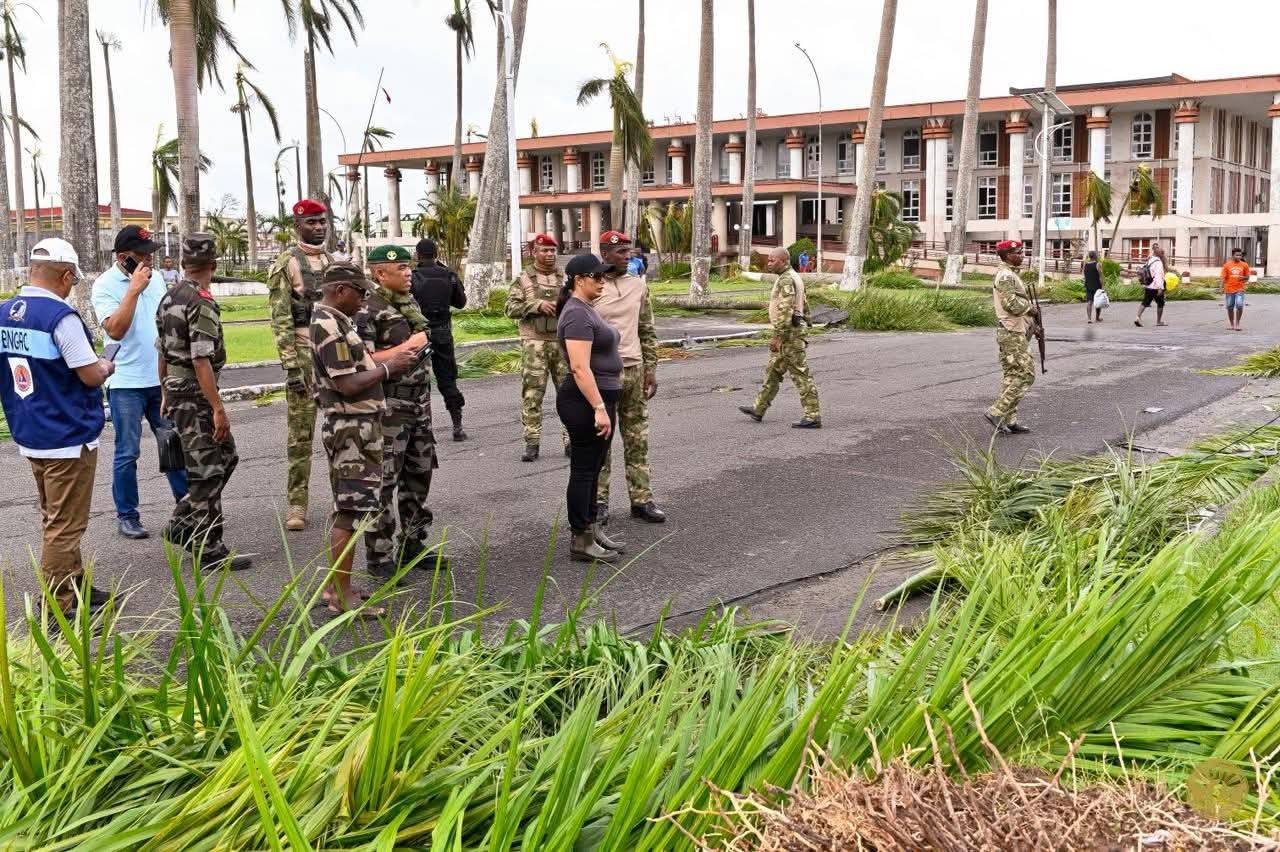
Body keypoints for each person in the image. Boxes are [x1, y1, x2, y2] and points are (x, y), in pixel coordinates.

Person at [0, 239, 115, 615]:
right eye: (72, 280)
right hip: (67, 434)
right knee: (64, 527)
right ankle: (59, 607)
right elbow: (88, 375)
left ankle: (74, 582)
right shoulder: (60, 317)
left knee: (55, 517)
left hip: (31, 430)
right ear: (66, 275)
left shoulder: (6, 312)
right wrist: (105, 367)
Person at [310, 262, 418, 614]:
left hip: (360, 425)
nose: (363, 301)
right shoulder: (327, 324)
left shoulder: (339, 321)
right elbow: (346, 383)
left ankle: (337, 586)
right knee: (351, 511)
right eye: (359, 293)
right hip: (351, 429)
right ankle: (340, 598)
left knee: (352, 507)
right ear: (341, 290)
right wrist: (390, 368)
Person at [157, 234, 251, 571]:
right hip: (195, 394)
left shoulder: (168, 298)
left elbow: (162, 350)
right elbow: (200, 360)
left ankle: (184, 521)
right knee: (208, 469)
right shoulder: (201, 301)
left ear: (183, 264)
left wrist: (165, 390)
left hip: (178, 389)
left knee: (225, 456)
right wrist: (217, 408)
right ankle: (209, 547)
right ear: (213, 265)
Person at [91, 225, 189, 540]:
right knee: (127, 451)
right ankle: (127, 516)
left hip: (160, 378)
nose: (149, 260)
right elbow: (115, 330)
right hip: (126, 383)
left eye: (151, 254)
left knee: (172, 444)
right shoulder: (105, 285)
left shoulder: (157, 278)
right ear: (123, 257)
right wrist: (133, 288)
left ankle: (187, 508)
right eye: (142, 256)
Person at [358, 245, 436, 582]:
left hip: (418, 402)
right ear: (380, 273)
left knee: (419, 475)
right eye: (401, 268)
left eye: (409, 267)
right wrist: (409, 347)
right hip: (389, 407)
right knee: (384, 483)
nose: (408, 273)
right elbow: (363, 359)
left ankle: (412, 544)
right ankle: (380, 558)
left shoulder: (407, 302)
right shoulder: (367, 309)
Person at [267, 198, 334, 531]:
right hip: (305, 357)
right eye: (311, 222)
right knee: (300, 435)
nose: (318, 227)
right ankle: (297, 504)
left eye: (322, 221)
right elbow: (280, 318)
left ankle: (345, 499)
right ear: (298, 225)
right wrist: (292, 365)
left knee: (342, 430)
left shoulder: (334, 260)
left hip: (336, 358)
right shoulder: (286, 262)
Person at [556, 254, 627, 562]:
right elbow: (580, 368)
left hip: (599, 398)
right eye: (597, 276)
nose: (602, 281)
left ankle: (592, 529)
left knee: (593, 467)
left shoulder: (586, 310)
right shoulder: (575, 314)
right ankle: (580, 539)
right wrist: (598, 406)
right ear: (578, 280)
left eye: (604, 276)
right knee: (584, 470)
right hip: (584, 401)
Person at [593, 230, 665, 524]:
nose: (627, 257)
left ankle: (642, 499)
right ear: (605, 254)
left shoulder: (638, 286)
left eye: (628, 252)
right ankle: (598, 502)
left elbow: (646, 329)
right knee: (602, 440)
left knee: (637, 438)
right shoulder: (591, 285)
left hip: (634, 370)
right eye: (621, 252)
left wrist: (651, 368)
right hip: (602, 373)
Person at [738, 246, 821, 428]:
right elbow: (804, 303)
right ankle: (758, 408)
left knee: (800, 374)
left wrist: (777, 336)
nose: (769, 263)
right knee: (773, 371)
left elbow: (785, 310)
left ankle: (813, 415)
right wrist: (807, 319)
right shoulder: (793, 277)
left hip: (789, 335)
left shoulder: (786, 280)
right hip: (791, 332)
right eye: (768, 260)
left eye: (772, 260)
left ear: (783, 261)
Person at [507, 233, 569, 462]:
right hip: (535, 344)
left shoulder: (566, 278)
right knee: (533, 395)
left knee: (568, 394)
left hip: (562, 344)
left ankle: (570, 440)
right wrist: (537, 305)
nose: (550, 254)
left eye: (553, 250)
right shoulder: (523, 279)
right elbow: (510, 308)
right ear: (534, 252)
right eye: (544, 250)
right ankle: (532, 443)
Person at [409, 238, 468, 441]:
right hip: (442, 332)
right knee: (447, 379)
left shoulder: (412, 277)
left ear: (417, 255)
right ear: (436, 254)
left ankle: (423, 429)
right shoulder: (448, 275)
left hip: (418, 334)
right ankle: (457, 426)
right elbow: (460, 302)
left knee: (417, 381)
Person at [985, 240, 1037, 435]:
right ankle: (996, 411)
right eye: (1018, 252)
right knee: (1026, 375)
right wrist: (1031, 309)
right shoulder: (1006, 275)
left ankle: (1009, 419)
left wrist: (1033, 325)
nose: (1022, 255)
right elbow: (1010, 304)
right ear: (1007, 255)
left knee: (1012, 376)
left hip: (1015, 330)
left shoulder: (1011, 274)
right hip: (1010, 332)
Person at [1134, 242, 1168, 328]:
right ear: (1160, 254)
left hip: (1148, 285)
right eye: (1162, 253)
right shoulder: (1159, 263)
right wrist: (1160, 288)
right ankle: (1159, 321)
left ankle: (1137, 317)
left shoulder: (1150, 260)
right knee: (1160, 303)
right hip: (1156, 286)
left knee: (1145, 302)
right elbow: (1158, 275)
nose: (1163, 255)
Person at [1221, 247, 1251, 331]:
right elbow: (1223, 277)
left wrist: (1243, 278)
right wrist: (1220, 288)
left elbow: (1248, 277)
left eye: (1240, 255)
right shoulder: (1227, 265)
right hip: (1229, 289)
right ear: (1232, 255)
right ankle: (1231, 325)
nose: (1239, 257)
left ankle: (1237, 324)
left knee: (1239, 305)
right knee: (1230, 307)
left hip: (1239, 289)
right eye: (1237, 255)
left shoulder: (1244, 265)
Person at [1082, 250, 1104, 324]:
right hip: (1097, 285)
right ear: (1095, 256)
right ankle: (1097, 318)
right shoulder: (1098, 264)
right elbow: (1101, 277)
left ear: (1089, 256)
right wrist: (1103, 286)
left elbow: (1084, 275)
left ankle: (1089, 319)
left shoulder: (1085, 264)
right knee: (1098, 302)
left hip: (1088, 285)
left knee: (1089, 302)